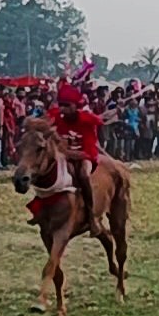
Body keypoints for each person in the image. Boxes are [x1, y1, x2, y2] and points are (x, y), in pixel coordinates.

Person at [51, 79, 106, 237]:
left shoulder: (87, 118)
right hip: (66, 156)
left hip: (85, 156)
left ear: (76, 106)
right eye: (61, 105)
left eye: (67, 105)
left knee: (82, 174)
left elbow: (88, 150)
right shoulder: (58, 117)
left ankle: (91, 215)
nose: (63, 109)